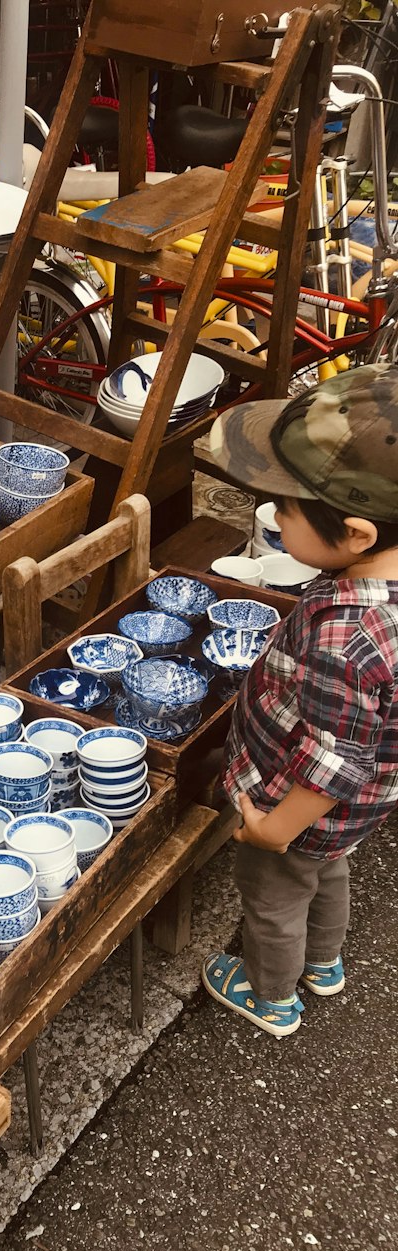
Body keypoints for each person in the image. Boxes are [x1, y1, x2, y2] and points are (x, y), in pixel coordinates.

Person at [201, 362, 398, 1038]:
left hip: (296, 807)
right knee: (330, 871)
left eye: (285, 509)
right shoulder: (378, 593)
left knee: (275, 894)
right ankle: (324, 962)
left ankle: (270, 994)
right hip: (355, 811)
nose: (275, 517)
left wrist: (273, 828)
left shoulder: (348, 636)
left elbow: (330, 761)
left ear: (357, 533)